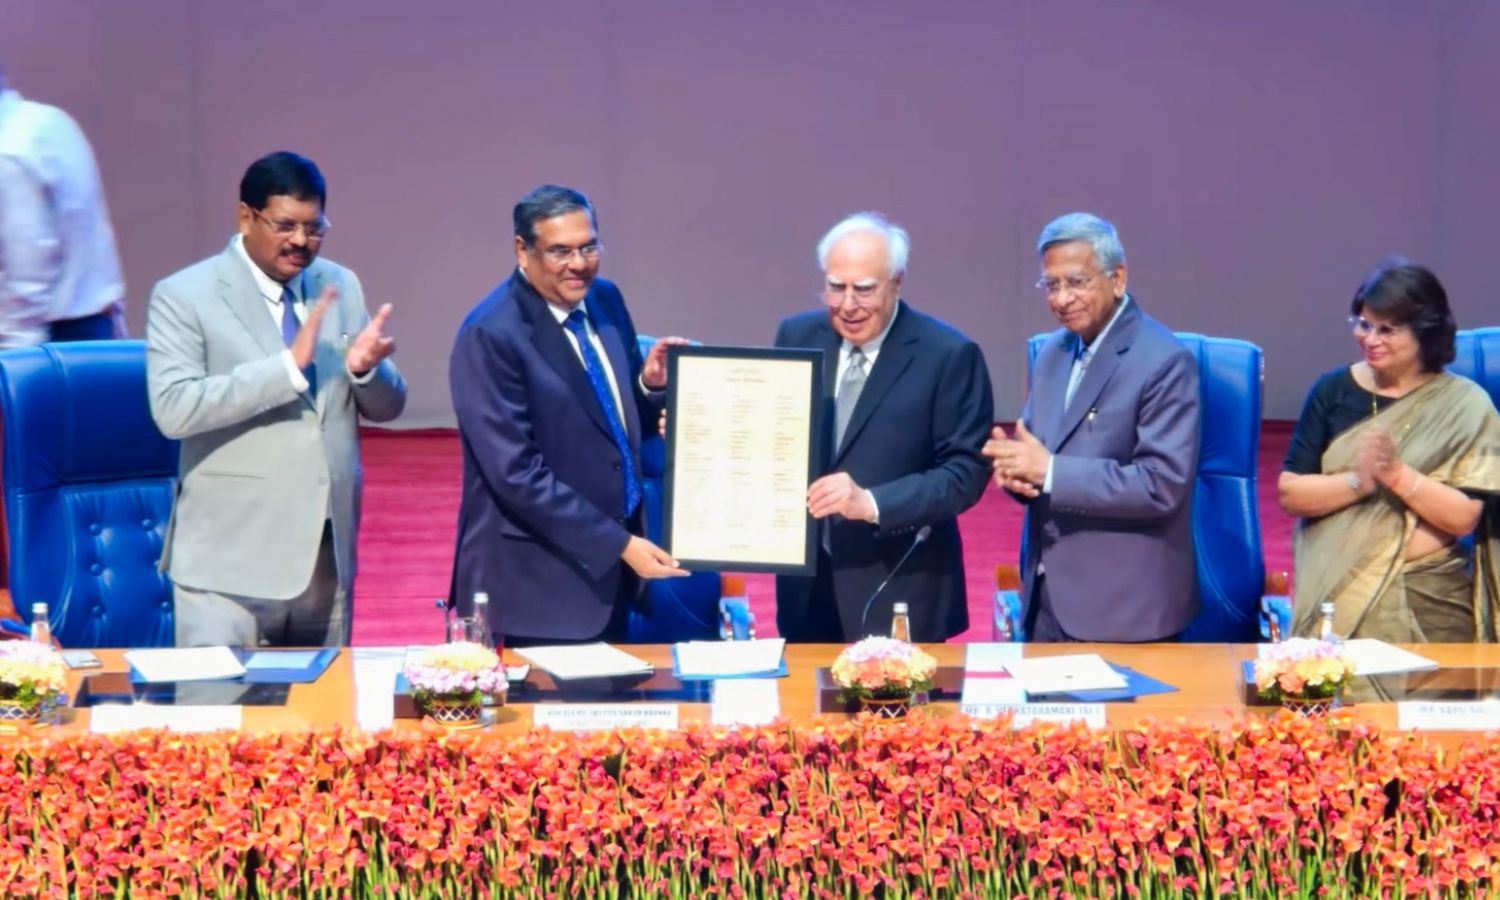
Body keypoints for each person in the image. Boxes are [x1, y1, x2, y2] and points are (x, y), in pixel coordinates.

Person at [146, 151, 405, 647]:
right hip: (228, 567)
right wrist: (285, 369)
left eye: (315, 227)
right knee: (220, 700)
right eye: (285, 226)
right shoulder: (185, 294)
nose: (301, 241)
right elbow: (174, 408)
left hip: (325, 561)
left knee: (323, 700)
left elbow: (387, 407)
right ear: (246, 217)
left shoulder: (338, 283)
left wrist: (365, 370)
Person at [449, 184, 686, 646]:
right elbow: (517, 475)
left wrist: (649, 386)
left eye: (589, 247)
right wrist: (619, 545)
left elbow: (611, 426)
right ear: (523, 250)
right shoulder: (490, 335)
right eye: (560, 251)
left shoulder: (605, 301)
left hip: (612, 575)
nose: (579, 264)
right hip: (538, 586)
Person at [773, 212, 993, 643]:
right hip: (807, 590)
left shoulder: (948, 354)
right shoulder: (797, 336)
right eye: (835, 287)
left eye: (864, 289)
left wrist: (872, 502)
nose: (847, 305)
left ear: (897, 282)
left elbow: (963, 475)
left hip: (900, 584)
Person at [986, 212, 1200, 642]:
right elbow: (1041, 457)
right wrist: (1016, 472)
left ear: (1117, 278)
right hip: (1047, 600)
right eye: (1051, 285)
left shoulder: (1164, 361)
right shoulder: (1052, 353)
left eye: (1077, 282)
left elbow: (1161, 485)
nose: (1062, 299)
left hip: (1124, 609)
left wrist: (1048, 471)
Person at [1280, 261, 1500, 642]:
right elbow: (1291, 493)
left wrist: (1396, 475)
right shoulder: (1332, 391)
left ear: (1425, 333)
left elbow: (1464, 517)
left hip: (1430, 600)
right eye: (1363, 324)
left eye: (1387, 330)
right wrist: (1359, 482)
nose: (1370, 339)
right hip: (1336, 592)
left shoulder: (1466, 406)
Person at [0, 64, 126, 348]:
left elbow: (28, 273)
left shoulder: (7, 153)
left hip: (48, 341)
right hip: (97, 323)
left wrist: (13, 360)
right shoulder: (52, 120)